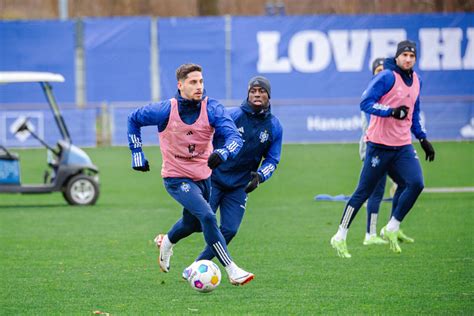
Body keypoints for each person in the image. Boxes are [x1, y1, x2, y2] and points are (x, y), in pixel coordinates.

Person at [127, 63, 254, 285]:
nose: (199, 86)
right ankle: (232, 269)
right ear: (180, 85)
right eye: (193, 82)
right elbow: (133, 119)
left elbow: (235, 138)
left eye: (201, 81)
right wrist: (136, 152)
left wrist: (223, 152)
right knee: (207, 216)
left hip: (204, 178)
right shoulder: (165, 110)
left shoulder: (212, 108)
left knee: (192, 224)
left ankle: (167, 241)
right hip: (176, 178)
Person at [330, 40, 436, 258]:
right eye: (404, 55)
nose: (408, 59)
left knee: (415, 183)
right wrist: (390, 111)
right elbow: (365, 102)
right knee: (363, 192)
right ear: (397, 57)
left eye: (412, 56)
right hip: (378, 146)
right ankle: (340, 235)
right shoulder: (387, 76)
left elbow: (414, 113)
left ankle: (392, 227)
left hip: (403, 146)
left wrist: (423, 138)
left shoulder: (417, 80)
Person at [180, 76, 283, 279]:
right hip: (214, 179)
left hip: (239, 186)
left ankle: (195, 266)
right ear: (247, 93)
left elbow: (273, 160)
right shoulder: (232, 115)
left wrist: (260, 176)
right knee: (198, 222)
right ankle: (168, 239)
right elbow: (207, 136)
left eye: (261, 91)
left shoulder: (274, 126)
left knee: (229, 229)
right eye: (253, 90)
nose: (257, 94)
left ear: (268, 95)